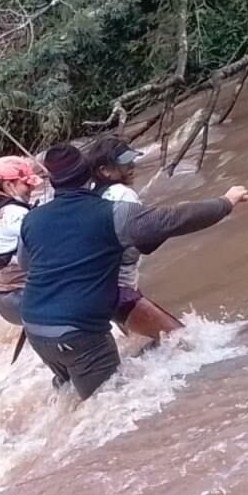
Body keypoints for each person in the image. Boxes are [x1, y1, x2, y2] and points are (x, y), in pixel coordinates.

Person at [17, 143, 247, 400]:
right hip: (79, 334)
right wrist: (225, 203)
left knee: (73, 399)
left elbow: (26, 265)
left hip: (35, 329)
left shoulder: (32, 219)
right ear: (88, 175)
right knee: (109, 408)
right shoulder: (114, 213)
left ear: (54, 183)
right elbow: (173, 219)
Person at [86, 135, 182, 342]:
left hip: (100, 288)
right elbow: (144, 237)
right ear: (105, 170)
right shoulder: (123, 195)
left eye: (130, 160)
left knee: (156, 342)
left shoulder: (90, 195)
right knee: (182, 340)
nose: (131, 166)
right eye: (123, 163)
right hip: (118, 290)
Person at [0, 156, 43, 326]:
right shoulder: (14, 214)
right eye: (27, 184)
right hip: (17, 299)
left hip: (5, 299)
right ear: (9, 185)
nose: (32, 189)